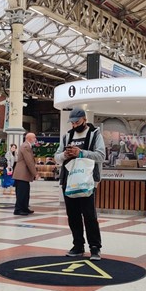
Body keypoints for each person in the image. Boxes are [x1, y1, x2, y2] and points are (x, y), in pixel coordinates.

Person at [55, 107, 106, 260]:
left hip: (87, 181)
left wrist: (81, 153)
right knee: (73, 215)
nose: (74, 125)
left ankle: (95, 247)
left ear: (84, 119)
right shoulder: (67, 136)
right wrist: (65, 154)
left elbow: (101, 155)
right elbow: (56, 156)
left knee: (89, 215)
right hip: (69, 181)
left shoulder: (94, 134)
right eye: (72, 123)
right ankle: (78, 245)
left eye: (77, 122)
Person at [12, 133, 38, 215]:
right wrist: (35, 173)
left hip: (24, 175)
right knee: (21, 193)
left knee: (25, 192)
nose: (35, 139)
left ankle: (24, 208)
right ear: (29, 138)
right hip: (22, 174)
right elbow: (29, 161)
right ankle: (18, 209)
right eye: (34, 138)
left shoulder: (27, 146)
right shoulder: (26, 146)